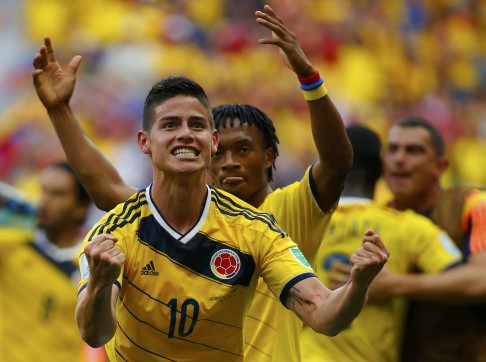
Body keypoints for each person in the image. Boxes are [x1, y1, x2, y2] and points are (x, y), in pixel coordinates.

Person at [32, 5, 359, 361]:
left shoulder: (269, 222)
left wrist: (359, 284)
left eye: (244, 149)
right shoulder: (124, 228)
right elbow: (108, 192)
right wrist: (60, 112)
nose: (230, 161)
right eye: (172, 126)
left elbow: (337, 164)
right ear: (146, 142)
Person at [299, 125, 463, 362]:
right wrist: (397, 284)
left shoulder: (297, 223)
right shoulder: (408, 226)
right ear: (380, 172)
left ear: (323, 168)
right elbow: (461, 279)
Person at [372, 116, 486, 362]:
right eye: (392, 150)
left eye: (413, 150)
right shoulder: (377, 220)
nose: (399, 159)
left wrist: (397, 285)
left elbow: (482, 280)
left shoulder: (473, 206)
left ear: (441, 166)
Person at [0, 161, 106, 361]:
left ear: (81, 208)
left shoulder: (94, 265)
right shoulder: (9, 247)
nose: (44, 201)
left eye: (57, 194)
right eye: (43, 191)